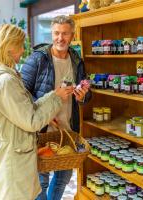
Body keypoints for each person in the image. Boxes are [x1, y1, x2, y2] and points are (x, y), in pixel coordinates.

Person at [0, 24, 74, 200]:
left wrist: (54, 95)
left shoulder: (5, 77)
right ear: (9, 47)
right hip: (13, 162)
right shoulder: (5, 82)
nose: (23, 50)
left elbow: (27, 109)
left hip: (14, 156)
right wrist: (57, 99)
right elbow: (32, 120)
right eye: (20, 45)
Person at [21, 15, 92, 200]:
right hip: (42, 130)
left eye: (65, 34)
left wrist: (84, 96)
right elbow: (22, 94)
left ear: (72, 35)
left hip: (68, 131)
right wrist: (45, 110)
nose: (60, 38)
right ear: (51, 33)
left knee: (63, 179)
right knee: (41, 183)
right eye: (56, 33)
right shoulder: (38, 59)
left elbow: (86, 91)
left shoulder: (77, 60)